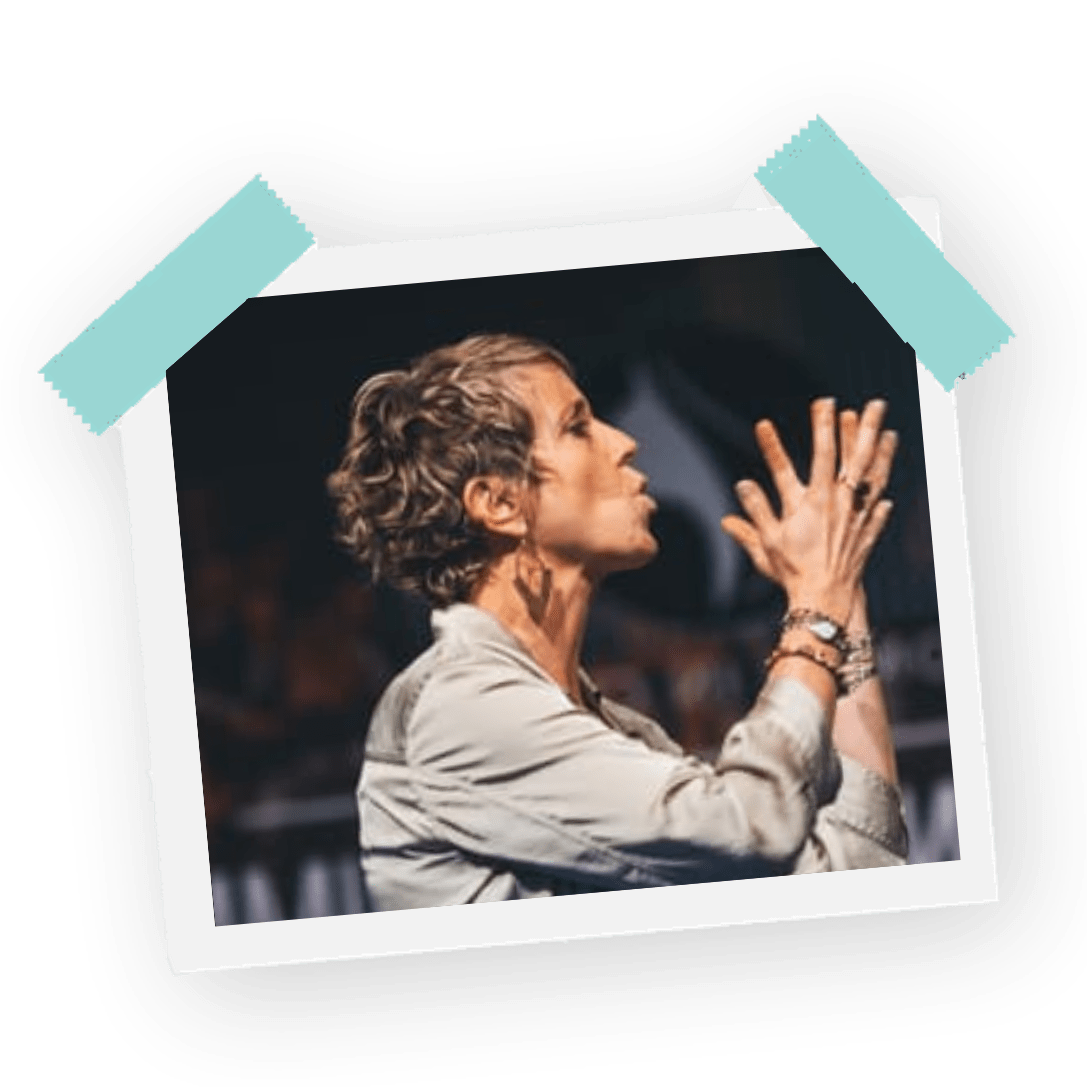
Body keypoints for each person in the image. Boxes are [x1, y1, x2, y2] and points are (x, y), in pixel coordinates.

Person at [327, 333, 907, 910]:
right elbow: (748, 827)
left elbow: (858, 869)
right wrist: (814, 611)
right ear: (500, 504)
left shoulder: (615, 732)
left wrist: (840, 589)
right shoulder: (459, 711)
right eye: (578, 427)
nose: (626, 443)